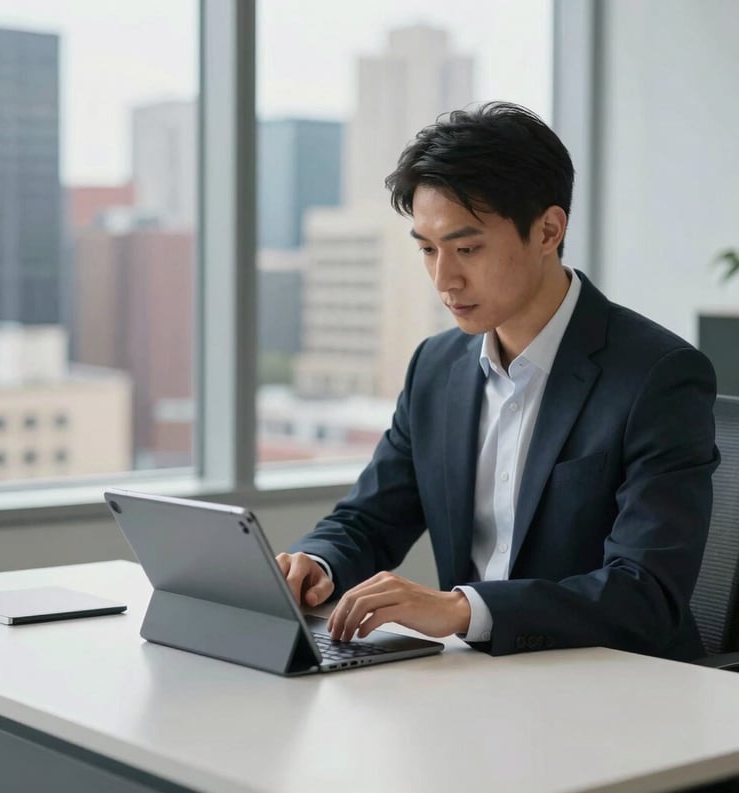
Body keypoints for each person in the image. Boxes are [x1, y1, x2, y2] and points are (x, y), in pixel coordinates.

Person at [275, 102, 719, 660]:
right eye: (427, 249)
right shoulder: (435, 369)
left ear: (548, 230)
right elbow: (369, 519)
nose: (444, 278)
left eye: (467, 248)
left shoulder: (658, 377)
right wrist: (315, 561)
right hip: (479, 688)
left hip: (618, 690)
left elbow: (645, 592)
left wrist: (464, 609)